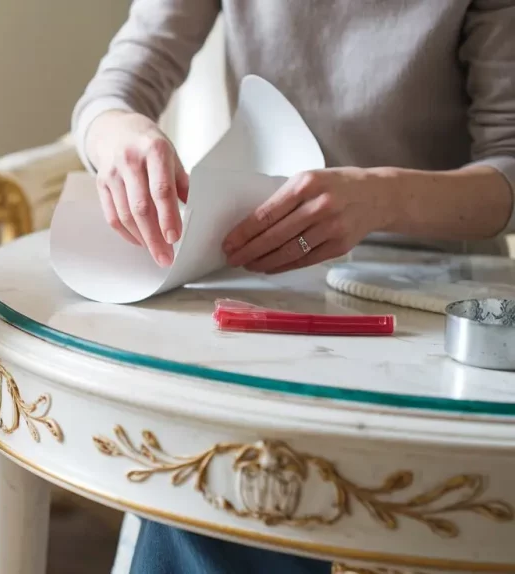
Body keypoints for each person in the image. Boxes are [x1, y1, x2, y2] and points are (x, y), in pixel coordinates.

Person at [72, 1, 515, 573]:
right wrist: (120, 135)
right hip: (269, 281)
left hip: (434, 305)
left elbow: (509, 167)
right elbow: (115, 90)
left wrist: (382, 196)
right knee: (219, 475)